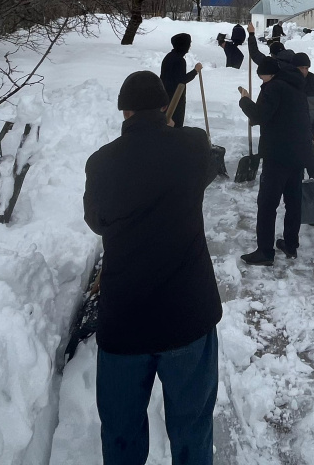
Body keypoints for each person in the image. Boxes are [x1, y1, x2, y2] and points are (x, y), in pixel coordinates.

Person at [83, 71, 223, 465]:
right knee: (193, 429)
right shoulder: (193, 145)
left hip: (126, 320)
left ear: (124, 112)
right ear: (164, 107)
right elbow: (206, 172)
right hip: (188, 316)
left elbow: (97, 221)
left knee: (121, 433)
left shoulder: (101, 163)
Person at [237, 58, 312, 264]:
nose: (261, 80)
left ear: (268, 74)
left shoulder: (274, 88)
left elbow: (260, 116)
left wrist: (245, 100)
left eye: (261, 77)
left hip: (278, 155)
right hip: (298, 154)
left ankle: (265, 252)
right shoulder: (295, 86)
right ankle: (291, 245)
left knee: (267, 204)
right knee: (293, 202)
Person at [292, 52, 314, 181]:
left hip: (313, 137)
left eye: (306, 68)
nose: (304, 71)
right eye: (301, 68)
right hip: (294, 138)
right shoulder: (287, 83)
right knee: (295, 176)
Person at [160, 33, 202, 127]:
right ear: (183, 45)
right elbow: (181, 81)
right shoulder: (179, 60)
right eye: (189, 43)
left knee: (166, 124)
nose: (190, 46)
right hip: (175, 98)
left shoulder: (169, 56)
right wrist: (195, 71)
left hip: (165, 95)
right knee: (175, 124)